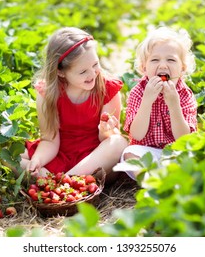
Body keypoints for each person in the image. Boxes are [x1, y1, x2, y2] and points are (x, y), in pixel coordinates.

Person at [20, 27, 128, 180]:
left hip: (93, 157)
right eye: (83, 72)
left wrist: (105, 131)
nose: (92, 74)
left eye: (95, 64)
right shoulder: (48, 93)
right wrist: (38, 160)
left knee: (118, 143)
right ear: (60, 72)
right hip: (61, 152)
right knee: (12, 155)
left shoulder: (107, 88)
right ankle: (69, 183)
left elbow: (107, 140)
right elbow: (50, 140)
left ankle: (61, 182)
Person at [114, 26, 198, 179]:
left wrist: (174, 105)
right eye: (155, 60)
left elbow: (184, 138)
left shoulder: (184, 94)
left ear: (183, 68)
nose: (163, 65)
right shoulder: (138, 93)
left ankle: (171, 179)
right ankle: (151, 181)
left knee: (193, 157)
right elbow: (137, 135)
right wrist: (147, 101)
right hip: (147, 153)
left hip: (175, 152)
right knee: (129, 154)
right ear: (144, 68)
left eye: (171, 60)